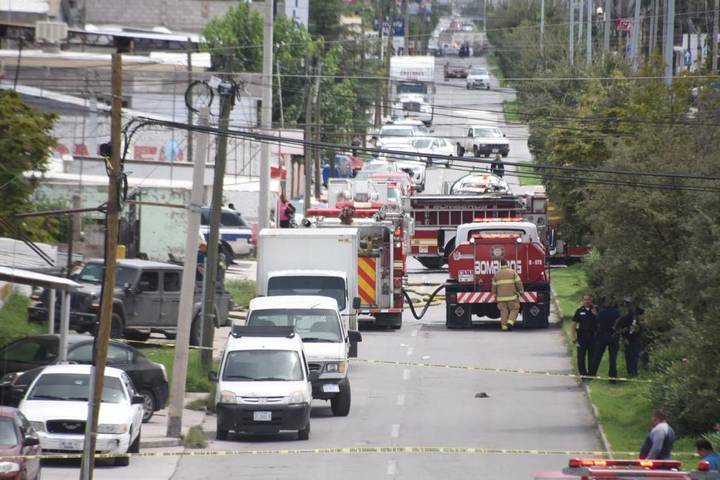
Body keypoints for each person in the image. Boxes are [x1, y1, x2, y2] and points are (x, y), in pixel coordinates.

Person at [589, 302, 620, 380]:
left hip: (602, 337)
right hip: (614, 337)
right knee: (613, 358)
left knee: (597, 357)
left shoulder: (602, 313)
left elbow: (597, 322)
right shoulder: (618, 313)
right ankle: (612, 377)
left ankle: (592, 374)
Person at [491, 259, 524, 332]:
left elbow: (494, 287)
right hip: (512, 298)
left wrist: (495, 295)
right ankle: (510, 322)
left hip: (501, 299)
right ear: (507, 264)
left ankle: (504, 327)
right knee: (514, 309)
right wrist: (521, 292)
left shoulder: (496, 274)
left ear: (500, 265)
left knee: (503, 311)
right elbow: (519, 283)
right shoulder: (512, 272)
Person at [616, 298, 645, 377]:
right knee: (628, 355)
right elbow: (618, 327)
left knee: (635, 354)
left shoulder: (639, 314)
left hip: (636, 337)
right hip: (627, 338)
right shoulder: (625, 316)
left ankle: (634, 372)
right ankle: (630, 372)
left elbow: (642, 327)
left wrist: (639, 328)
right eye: (628, 304)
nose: (630, 306)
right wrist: (624, 337)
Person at [572, 293, 598, 377]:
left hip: (593, 337)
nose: (587, 301)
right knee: (580, 357)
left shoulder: (596, 310)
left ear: (591, 300)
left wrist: (596, 314)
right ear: (583, 301)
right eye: (585, 299)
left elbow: (601, 322)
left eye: (588, 299)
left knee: (592, 356)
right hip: (581, 337)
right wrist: (574, 336)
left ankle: (591, 374)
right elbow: (573, 325)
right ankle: (583, 375)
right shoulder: (579, 311)